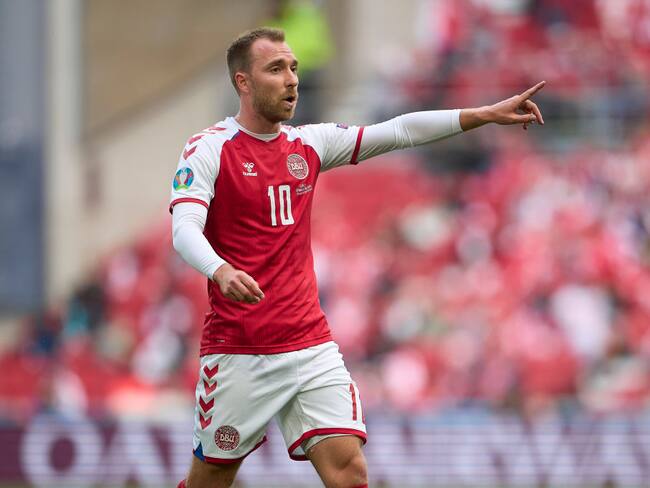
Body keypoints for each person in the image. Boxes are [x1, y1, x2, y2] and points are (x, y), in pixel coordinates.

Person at [170, 27, 545, 488]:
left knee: (350, 473)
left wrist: (484, 114)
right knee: (210, 481)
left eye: (293, 68)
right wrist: (219, 268)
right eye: (275, 69)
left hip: (310, 346)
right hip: (240, 352)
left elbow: (400, 130)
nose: (290, 79)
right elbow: (184, 228)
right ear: (242, 83)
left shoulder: (308, 144)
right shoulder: (209, 148)